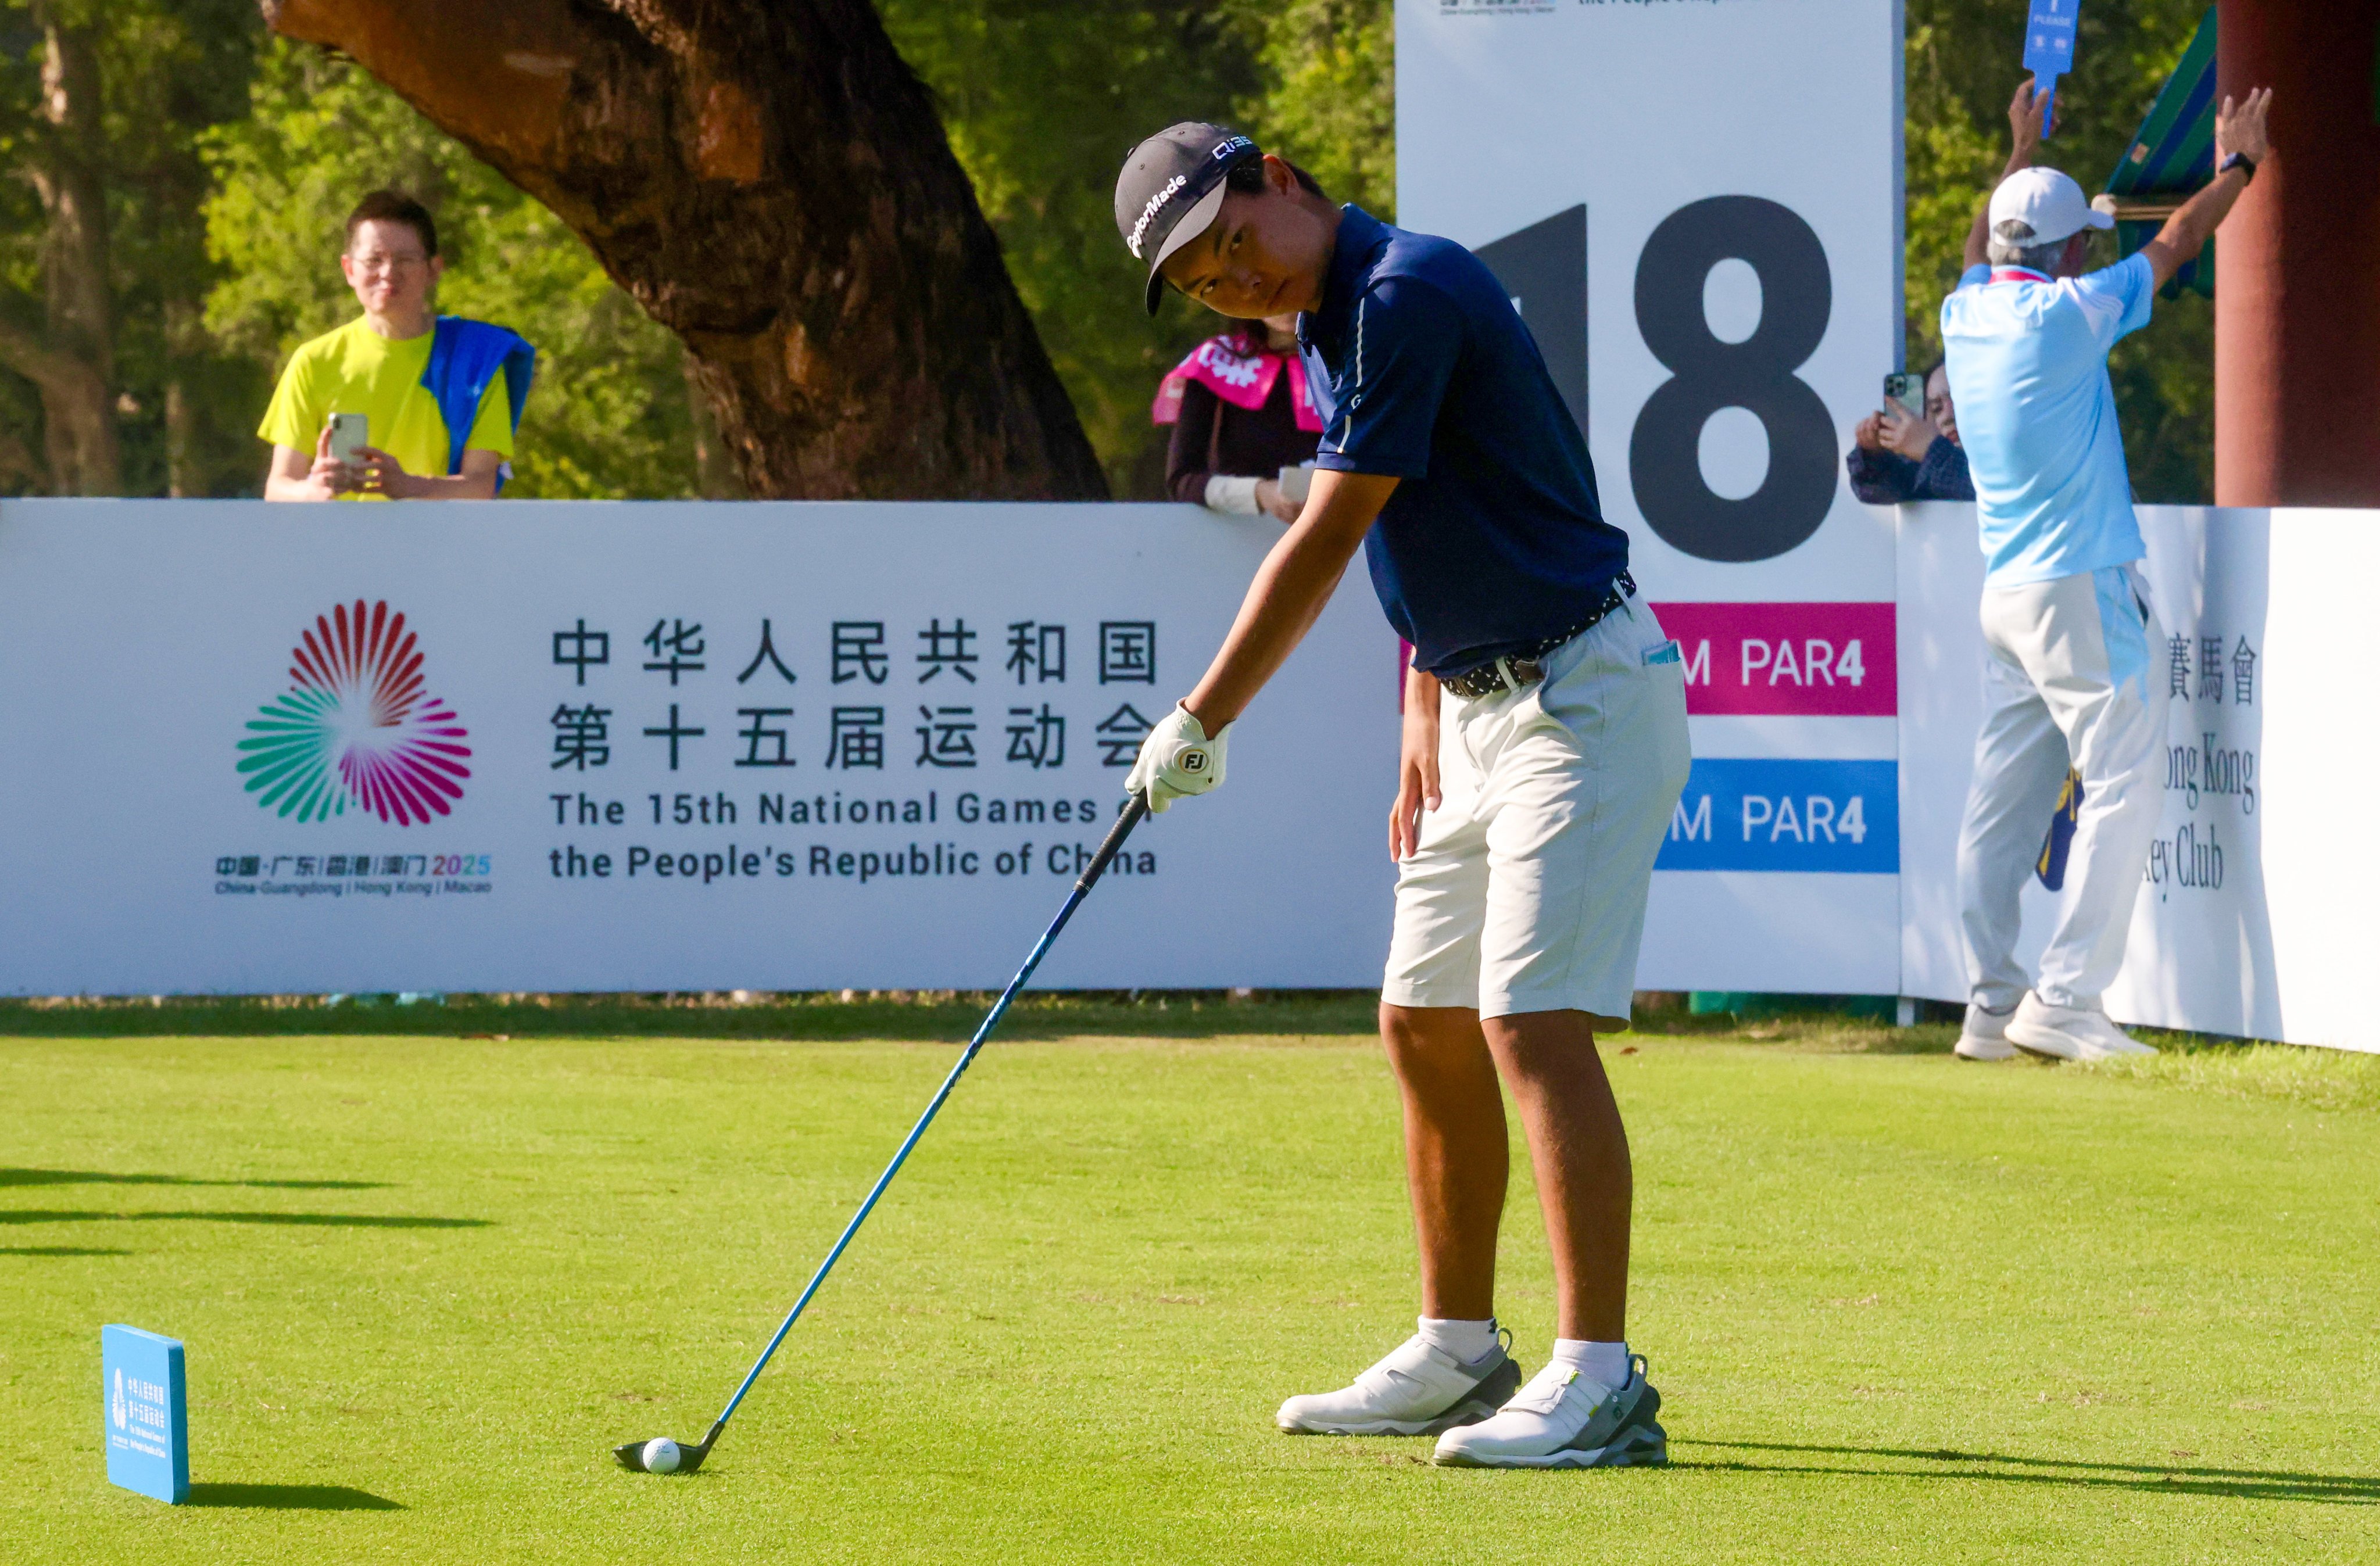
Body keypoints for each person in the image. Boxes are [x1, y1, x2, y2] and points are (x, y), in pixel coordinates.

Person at [1113, 123, 1688, 1468]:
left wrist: (1201, 715)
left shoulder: (1406, 292)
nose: (1232, 281)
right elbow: (1444, 521)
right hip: (1477, 705)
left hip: (1581, 696)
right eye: (1201, 282)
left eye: (1232, 242)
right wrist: (1426, 701)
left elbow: (1333, 532)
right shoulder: (1331, 321)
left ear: (1281, 181)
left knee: (1528, 1020)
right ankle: (1457, 1352)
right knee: (1421, 1021)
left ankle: (1599, 1379)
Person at [1942, 79, 2272, 1064]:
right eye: (2080, 241)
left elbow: (1976, 249)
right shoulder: (2069, 314)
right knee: (2124, 773)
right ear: (2066, 254)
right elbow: (2174, 242)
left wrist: (2018, 149)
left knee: (1999, 807)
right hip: (2077, 585)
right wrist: (2239, 166)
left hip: (2005, 595)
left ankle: (1989, 1006)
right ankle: (2065, 998)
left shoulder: (1965, 311)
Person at [260, 190, 535, 502]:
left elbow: (480, 485)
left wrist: (408, 486)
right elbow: (278, 488)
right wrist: (313, 490)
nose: (388, 273)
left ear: (433, 270)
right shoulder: (313, 362)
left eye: (405, 260)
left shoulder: (476, 361)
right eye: (374, 260)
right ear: (349, 270)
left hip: (435, 535)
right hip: (337, 535)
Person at [1155, 312, 1322, 522]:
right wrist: (1260, 493)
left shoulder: (1353, 368)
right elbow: (1181, 482)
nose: (1287, 303)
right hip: (1233, 533)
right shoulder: (1213, 361)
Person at [1847, 360, 1972, 504]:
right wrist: (1873, 455)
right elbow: (1880, 492)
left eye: (1960, 401)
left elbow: (1980, 487)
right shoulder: (1926, 468)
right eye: (1936, 408)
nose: (1947, 417)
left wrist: (1932, 451)